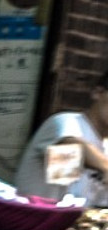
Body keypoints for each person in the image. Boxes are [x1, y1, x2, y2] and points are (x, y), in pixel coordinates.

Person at [11, 71, 108, 204]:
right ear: (98, 93)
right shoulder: (66, 123)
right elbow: (70, 147)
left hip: (72, 223)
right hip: (34, 220)